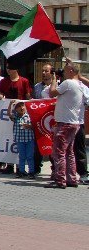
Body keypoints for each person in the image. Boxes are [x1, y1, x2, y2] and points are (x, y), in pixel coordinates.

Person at [47, 61, 85, 189]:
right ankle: (71, 178)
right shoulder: (80, 84)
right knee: (69, 152)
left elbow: (51, 93)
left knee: (59, 152)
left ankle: (60, 179)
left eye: (65, 70)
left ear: (71, 71)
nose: (63, 72)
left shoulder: (68, 83)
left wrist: (53, 80)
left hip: (64, 122)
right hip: (74, 122)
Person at [9, 101, 36, 178]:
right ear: (16, 109)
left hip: (29, 139)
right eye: (19, 107)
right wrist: (10, 104)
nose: (21, 108)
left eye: (22, 106)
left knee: (30, 156)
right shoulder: (16, 117)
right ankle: (21, 171)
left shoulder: (29, 116)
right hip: (20, 140)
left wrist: (28, 126)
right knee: (21, 156)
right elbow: (9, 114)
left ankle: (31, 172)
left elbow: (34, 127)